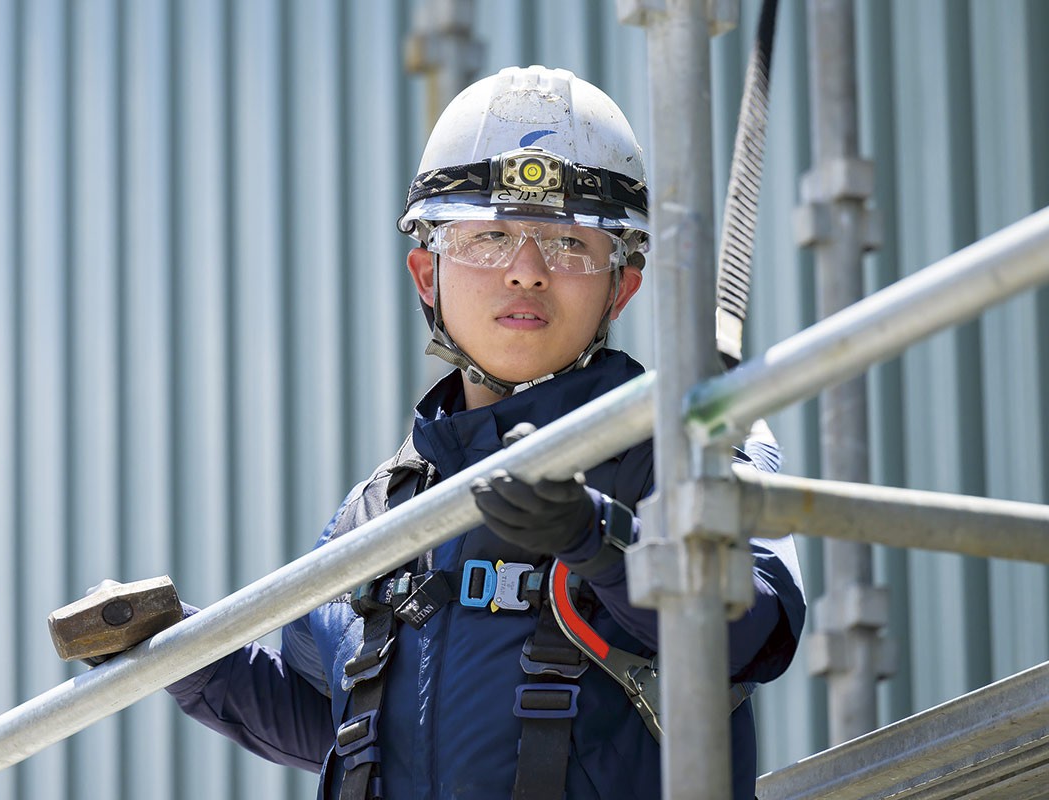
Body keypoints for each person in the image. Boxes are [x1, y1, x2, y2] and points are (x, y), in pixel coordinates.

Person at [161, 65, 805, 799]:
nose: (526, 270)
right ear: (427, 277)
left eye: (569, 244)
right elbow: (342, 723)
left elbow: (753, 629)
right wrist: (182, 654)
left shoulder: (682, 445)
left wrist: (599, 543)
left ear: (621, 285)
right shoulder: (381, 509)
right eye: (489, 237)